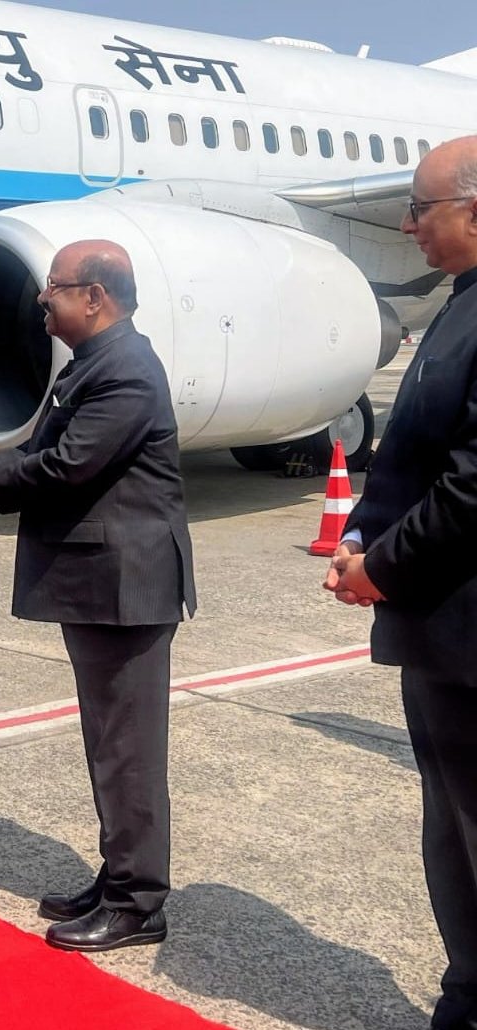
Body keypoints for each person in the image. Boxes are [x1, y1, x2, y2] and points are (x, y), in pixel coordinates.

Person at [0, 240, 196, 952]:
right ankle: (121, 874)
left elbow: (71, 464)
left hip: (126, 589)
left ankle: (138, 902)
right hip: (104, 585)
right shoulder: (97, 364)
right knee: (110, 742)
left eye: (55, 291)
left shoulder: (125, 370)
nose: (43, 302)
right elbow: (56, 456)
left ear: (95, 296)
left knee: (127, 747)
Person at [326, 135, 477, 1030]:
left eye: (422, 207)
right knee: (452, 830)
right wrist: (361, 534)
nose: (407, 222)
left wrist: (380, 567)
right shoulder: (459, 307)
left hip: (466, 631)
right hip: (444, 629)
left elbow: (472, 483)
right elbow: (419, 457)